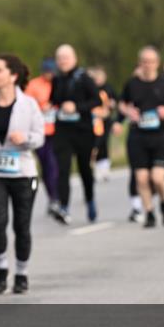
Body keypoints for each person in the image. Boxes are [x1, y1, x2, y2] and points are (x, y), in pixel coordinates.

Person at [0, 55, 45, 294]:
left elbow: (40, 137)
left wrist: (25, 139)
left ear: (13, 76)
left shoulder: (29, 104)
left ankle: (21, 273)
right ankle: (1, 268)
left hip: (23, 173)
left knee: (21, 226)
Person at [119, 46, 164, 228]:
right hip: (138, 137)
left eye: (151, 62)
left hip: (160, 136)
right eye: (144, 62)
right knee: (141, 178)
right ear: (139, 63)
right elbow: (122, 104)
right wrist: (129, 112)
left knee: (157, 178)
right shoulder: (132, 84)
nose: (148, 65)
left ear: (157, 63)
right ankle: (149, 213)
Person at [49, 44, 101, 224]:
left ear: (74, 59)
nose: (63, 61)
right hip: (62, 131)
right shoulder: (56, 79)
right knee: (62, 169)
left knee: (84, 169)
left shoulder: (84, 78)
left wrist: (77, 107)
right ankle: (64, 206)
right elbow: (54, 99)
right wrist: (51, 105)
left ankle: (90, 199)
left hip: (83, 131)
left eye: (66, 57)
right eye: (59, 58)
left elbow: (97, 100)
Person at [24, 58, 60, 219]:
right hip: (40, 132)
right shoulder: (33, 85)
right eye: (47, 72)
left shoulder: (59, 83)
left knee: (54, 164)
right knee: (45, 166)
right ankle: (52, 197)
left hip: (57, 131)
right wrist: (40, 108)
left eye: (52, 72)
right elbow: (26, 107)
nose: (50, 75)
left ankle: (56, 198)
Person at [88, 67, 117, 183]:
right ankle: (93, 167)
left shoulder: (108, 88)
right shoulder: (91, 89)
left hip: (104, 121)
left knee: (103, 144)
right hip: (93, 120)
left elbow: (114, 101)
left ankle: (104, 168)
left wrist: (111, 106)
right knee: (94, 145)